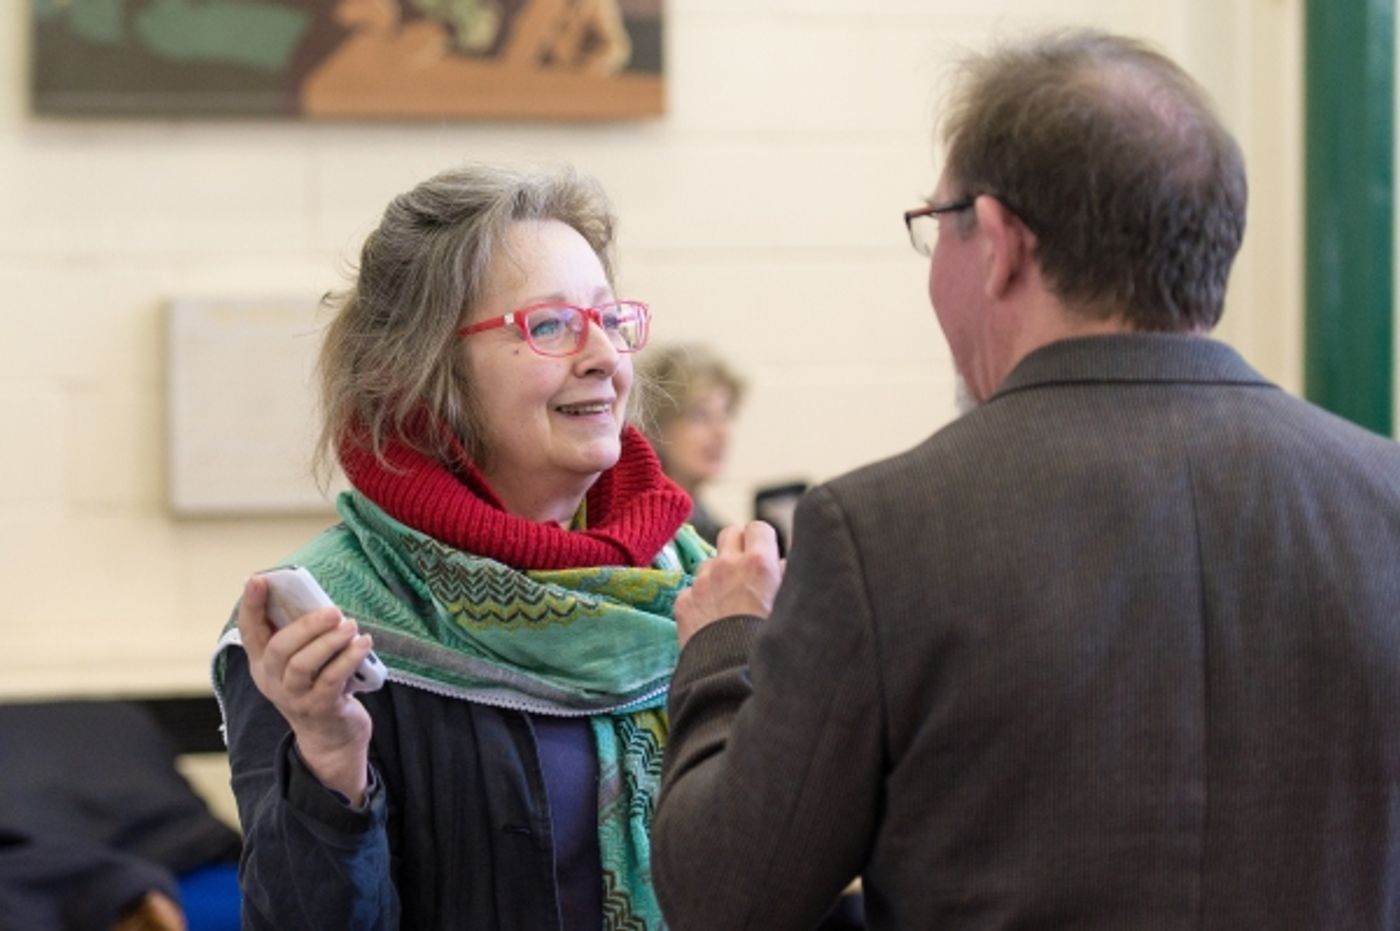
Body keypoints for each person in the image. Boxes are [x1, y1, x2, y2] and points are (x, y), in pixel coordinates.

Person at [651, 29, 1400, 931]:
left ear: (1000, 242)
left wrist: (726, 644)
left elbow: (727, 895)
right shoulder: (1385, 499)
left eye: (934, 228)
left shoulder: (883, 531)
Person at [212, 163, 707, 930]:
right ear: (426, 371)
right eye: (549, 326)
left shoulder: (697, 581)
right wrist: (329, 759)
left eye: (609, 321)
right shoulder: (324, 628)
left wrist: (748, 659)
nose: (605, 357)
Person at [637, 343, 746, 544]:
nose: (720, 432)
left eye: (725, 415)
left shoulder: (710, 526)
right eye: (700, 416)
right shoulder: (640, 526)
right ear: (655, 427)